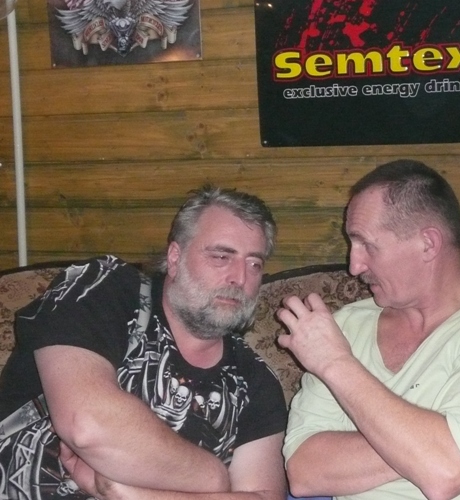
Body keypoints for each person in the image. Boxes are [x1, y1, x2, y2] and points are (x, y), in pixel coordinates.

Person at [279, 160, 460, 500]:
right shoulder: (344, 326)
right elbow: (303, 473)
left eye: (367, 245)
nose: (354, 266)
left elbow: (445, 473)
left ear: (428, 244)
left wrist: (336, 363)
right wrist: (432, 447)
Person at [0, 186, 287, 500]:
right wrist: (213, 478)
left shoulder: (254, 380)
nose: (240, 278)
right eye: (221, 257)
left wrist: (127, 494)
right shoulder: (104, 289)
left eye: (254, 264)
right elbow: (89, 425)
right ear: (175, 258)